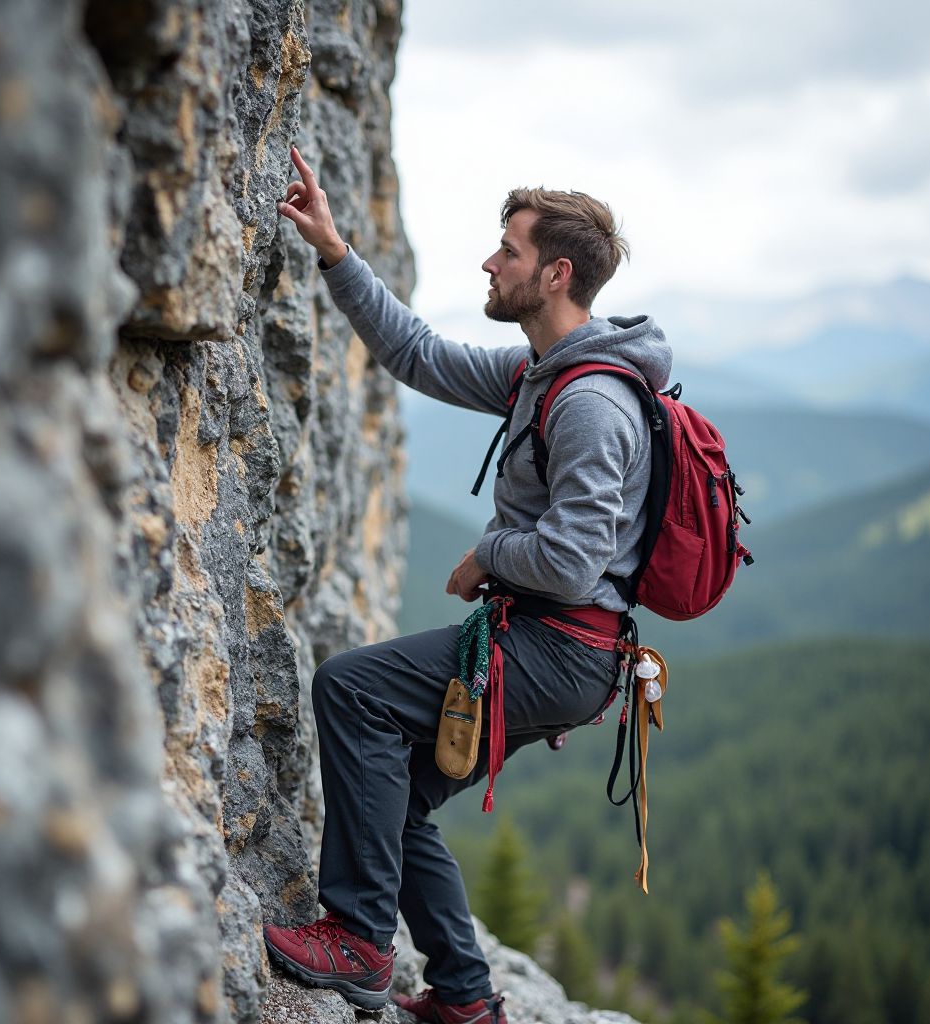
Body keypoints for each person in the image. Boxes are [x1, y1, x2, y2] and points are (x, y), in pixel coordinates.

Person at [263, 147, 672, 1024]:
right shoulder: (539, 375)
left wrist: (488, 555)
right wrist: (336, 253)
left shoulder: (590, 404)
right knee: (399, 795)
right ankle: (464, 998)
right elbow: (419, 355)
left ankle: (360, 941)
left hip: (559, 648)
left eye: (509, 251)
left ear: (556, 274)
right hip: (556, 647)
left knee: (352, 690)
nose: (490, 263)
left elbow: (572, 560)